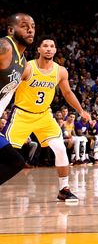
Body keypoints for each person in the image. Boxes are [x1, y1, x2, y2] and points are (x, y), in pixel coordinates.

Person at [1, 35, 91, 200]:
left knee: (60, 148)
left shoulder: (60, 71)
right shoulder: (27, 67)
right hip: (21, 114)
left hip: (44, 116)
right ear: (39, 49)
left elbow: (67, 93)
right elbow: (10, 90)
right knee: (7, 153)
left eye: (52, 46)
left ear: (55, 50)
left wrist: (81, 111)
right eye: (45, 46)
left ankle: (64, 190)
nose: (49, 48)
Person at [0, 13, 35, 185]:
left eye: (33, 26)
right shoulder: (4, 46)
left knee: (16, 162)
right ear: (11, 30)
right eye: (24, 25)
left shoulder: (24, 65)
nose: (30, 29)